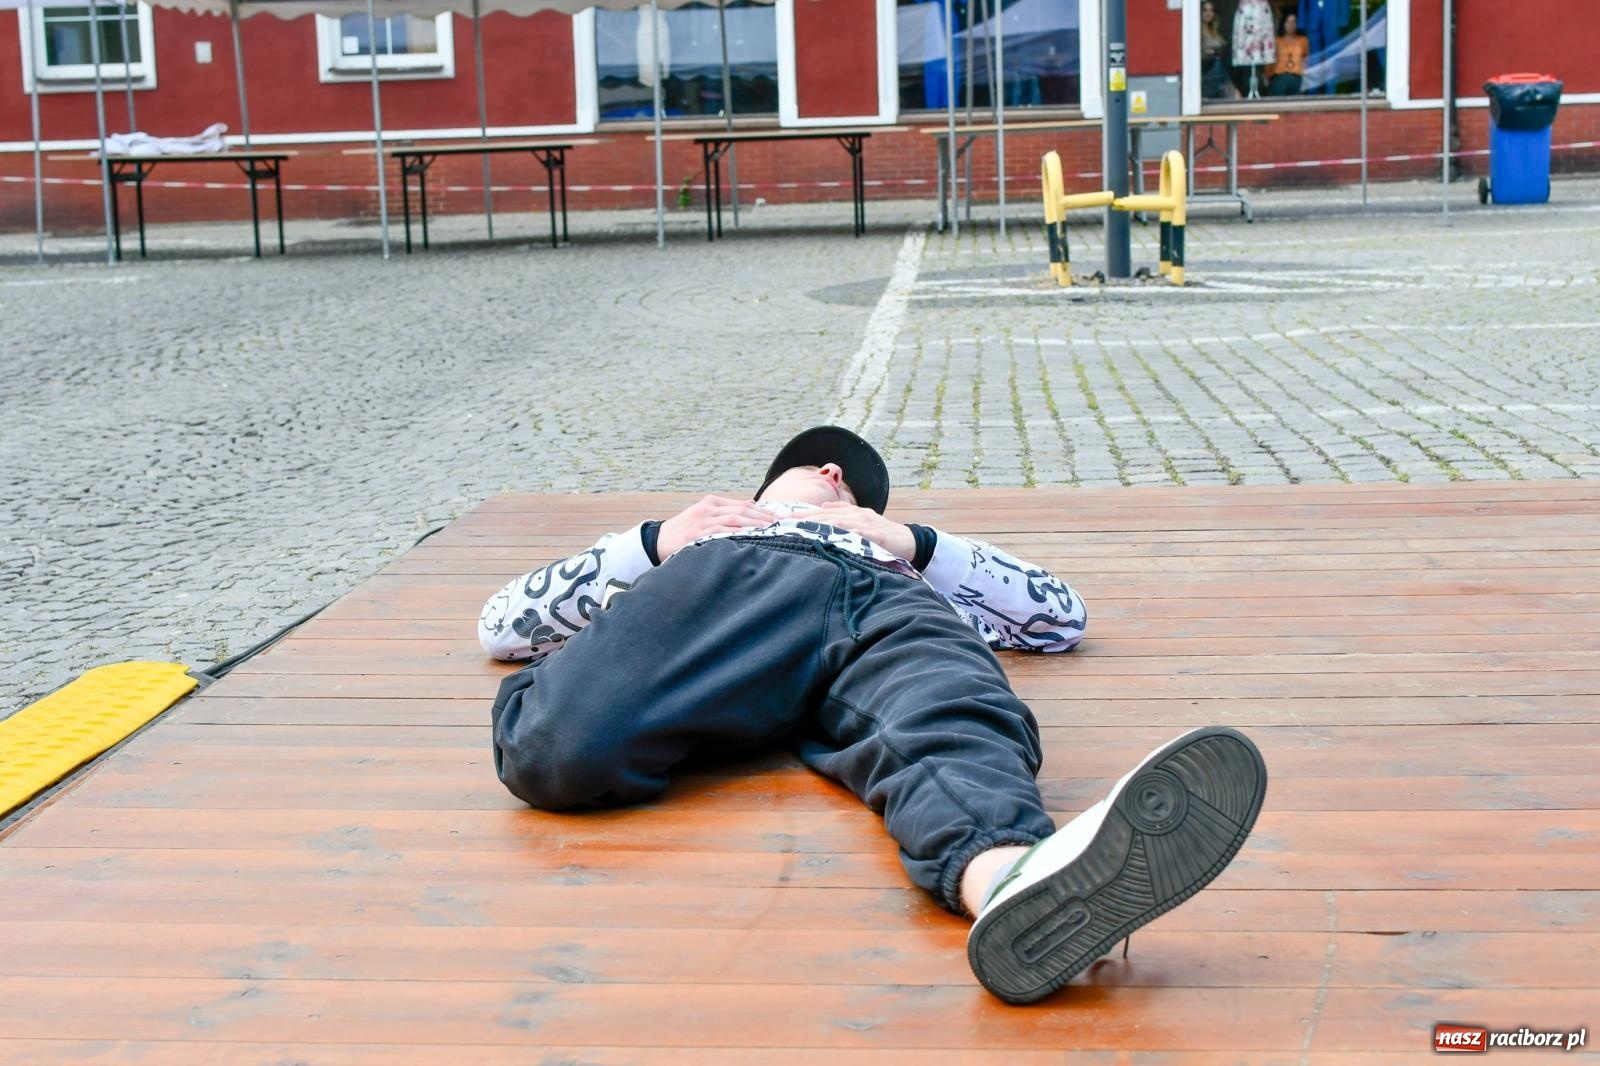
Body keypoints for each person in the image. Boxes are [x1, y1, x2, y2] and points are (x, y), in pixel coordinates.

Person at [481, 426, 1268, 1005]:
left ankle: (1008, 882)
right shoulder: (711, 533)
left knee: (947, 715)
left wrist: (913, 544)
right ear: (830, 473)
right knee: (555, 747)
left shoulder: (902, 555)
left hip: (882, 603)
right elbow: (500, 625)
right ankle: (1008, 873)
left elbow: (1061, 619)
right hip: (739, 580)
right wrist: (655, 540)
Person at [1200, 1, 1236, 101]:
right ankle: (1233, 93)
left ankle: (1233, 92)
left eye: (1211, 10)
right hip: (1206, 71)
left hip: (1219, 71)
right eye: (1205, 10)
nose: (1208, 13)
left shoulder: (1215, 32)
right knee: (1218, 65)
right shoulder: (1195, 31)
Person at [1268, 12, 1309, 96]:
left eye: (1294, 22)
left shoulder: (1303, 41)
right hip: (1279, 78)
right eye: (1288, 22)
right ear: (1283, 24)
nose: (1291, 25)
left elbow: (1307, 59)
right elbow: (1269, 64)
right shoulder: (1276, 41)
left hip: (1297, 78)